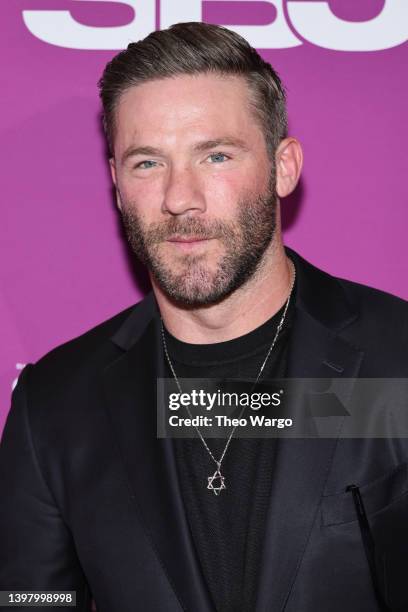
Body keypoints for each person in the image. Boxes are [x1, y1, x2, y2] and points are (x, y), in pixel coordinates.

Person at [0, 22, 407, 612]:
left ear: (283, 166)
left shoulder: (396, 359)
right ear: (115, 183)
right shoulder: (56, 406)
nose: (179, 197)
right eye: (146, 163)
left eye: (215, 155)